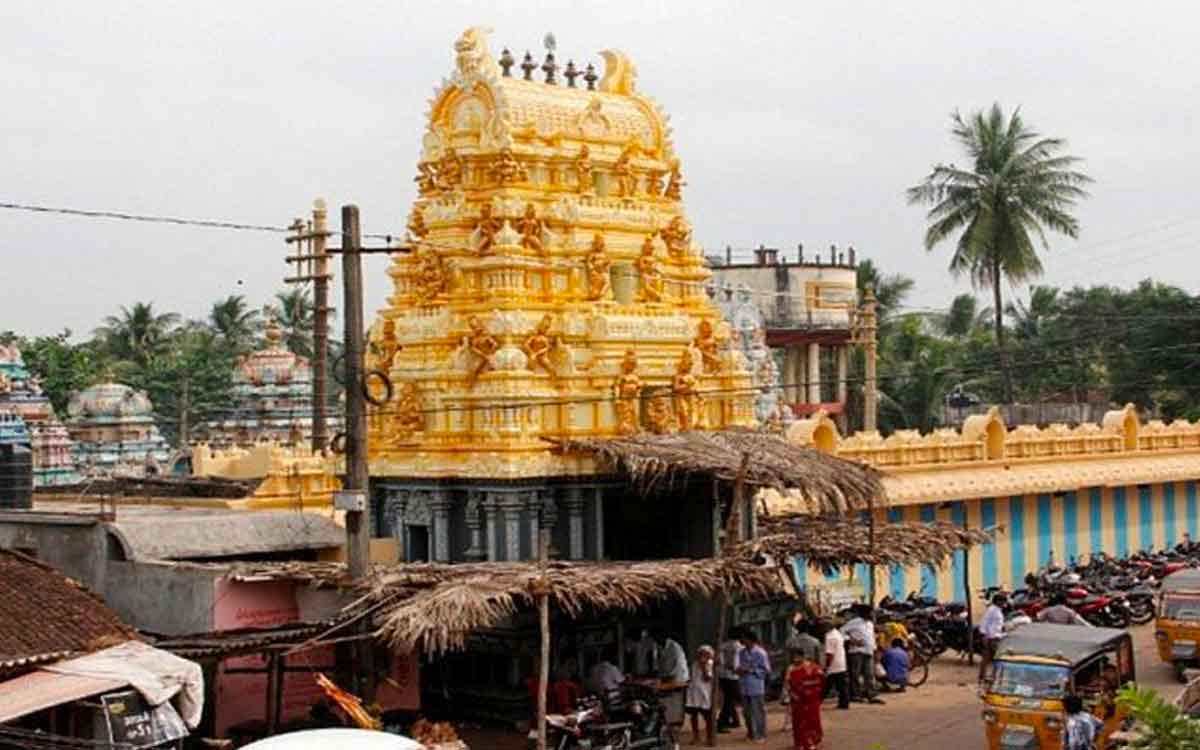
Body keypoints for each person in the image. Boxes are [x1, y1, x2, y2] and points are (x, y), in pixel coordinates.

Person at [841, 605, 884, 704]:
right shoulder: (854, 622)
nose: (873, 614)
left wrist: (875, 650)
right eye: (871, 612)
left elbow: (871, 637)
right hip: (857, 651)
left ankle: (871, 694)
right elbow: (841, 631)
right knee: (855, 674)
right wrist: (852, 641)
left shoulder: (870, 624)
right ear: (866, 613)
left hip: (868, 651)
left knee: (869, 674)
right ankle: (856, 695)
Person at [786, 647, 825, 750]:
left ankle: (811, 741)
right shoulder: (791, 669)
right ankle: (800, 743)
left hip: (812, 699)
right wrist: (792, 694)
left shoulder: (814, 667)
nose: (795, 659)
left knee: (812, 720)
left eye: (796, 656)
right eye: (793, 657)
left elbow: (821, 681)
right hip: (798, 699)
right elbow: (788, 684)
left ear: (801, 656)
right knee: (799, 721)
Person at [736, 629, 770, 743]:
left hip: (756, 684)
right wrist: (740, 670)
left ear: (750, 640)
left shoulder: (760, 653)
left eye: (744, 638)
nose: (742, 641)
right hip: (744, 684)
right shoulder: (741, 653)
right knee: (746, 712)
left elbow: (766, 669)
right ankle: (750, 732)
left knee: (758, 711)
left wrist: (751, 671)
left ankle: (760, 734)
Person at [684, 645, 716, 744]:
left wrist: (703, 667)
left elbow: (707, 678)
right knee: (693, 716)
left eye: (704, 654)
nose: (701, 656)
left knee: (708, 717)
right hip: (693, 693)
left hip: (705, 694)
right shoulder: (694, 664)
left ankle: (710, 737)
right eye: (700, 654)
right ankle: (696, 736)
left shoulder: (711, 664)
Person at [716, 628, 744, 733]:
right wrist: (737, 670)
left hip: (722, 675)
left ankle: (733, 720)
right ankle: (721, 723)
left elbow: (720, 661)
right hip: (733, 676)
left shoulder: (723, 645)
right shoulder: (738, 647)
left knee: (729, 698)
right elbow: (735, 663)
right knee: (730, 700)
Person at [821, 620, 850, 710]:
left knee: (826, 685)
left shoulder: (829, 637)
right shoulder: (837, 634)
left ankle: (817, 701)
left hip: (833, 665)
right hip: (841, 662)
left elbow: (830, 654)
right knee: (841, 685)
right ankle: (844, 703)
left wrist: (826, 666)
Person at [979, 593, 1007, 682]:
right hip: (992, 637)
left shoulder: (998, 610)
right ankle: (992, 676)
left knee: (988, 658)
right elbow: (984, 622)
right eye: (1002, 601)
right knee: (997, 657)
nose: (1004, 603)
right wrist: (984, 635)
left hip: (996, 636)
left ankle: (986, 676)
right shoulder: (992, 610)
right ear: (998, 601)